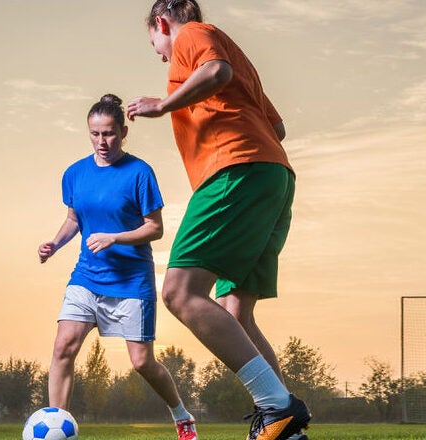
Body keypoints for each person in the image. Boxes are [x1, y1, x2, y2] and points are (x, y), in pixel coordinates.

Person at [126, 2, 311, 439]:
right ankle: (287, 430)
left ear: (162, 23)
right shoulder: (239, 56)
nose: (161, 54)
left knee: (179, 292)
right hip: (273, 175)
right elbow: (277, 127)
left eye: (155, 43)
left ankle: (276, 407)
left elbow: (215, 73)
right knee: (237, 312)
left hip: (234, 172)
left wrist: (163, 104)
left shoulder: (192, 34)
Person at [38, 94, 198, 440]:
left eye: (109, 134)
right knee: (63, 345)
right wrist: (54, 243)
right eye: (95, 134)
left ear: (123, 132)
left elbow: (155, 228)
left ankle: (182, 415)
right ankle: (57, 429)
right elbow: (74, 218)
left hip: (130, 281)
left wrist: (115, 238)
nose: (101, 142)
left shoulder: (139, 173)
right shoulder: (75, 173)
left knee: (142, 362)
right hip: (87, 276)